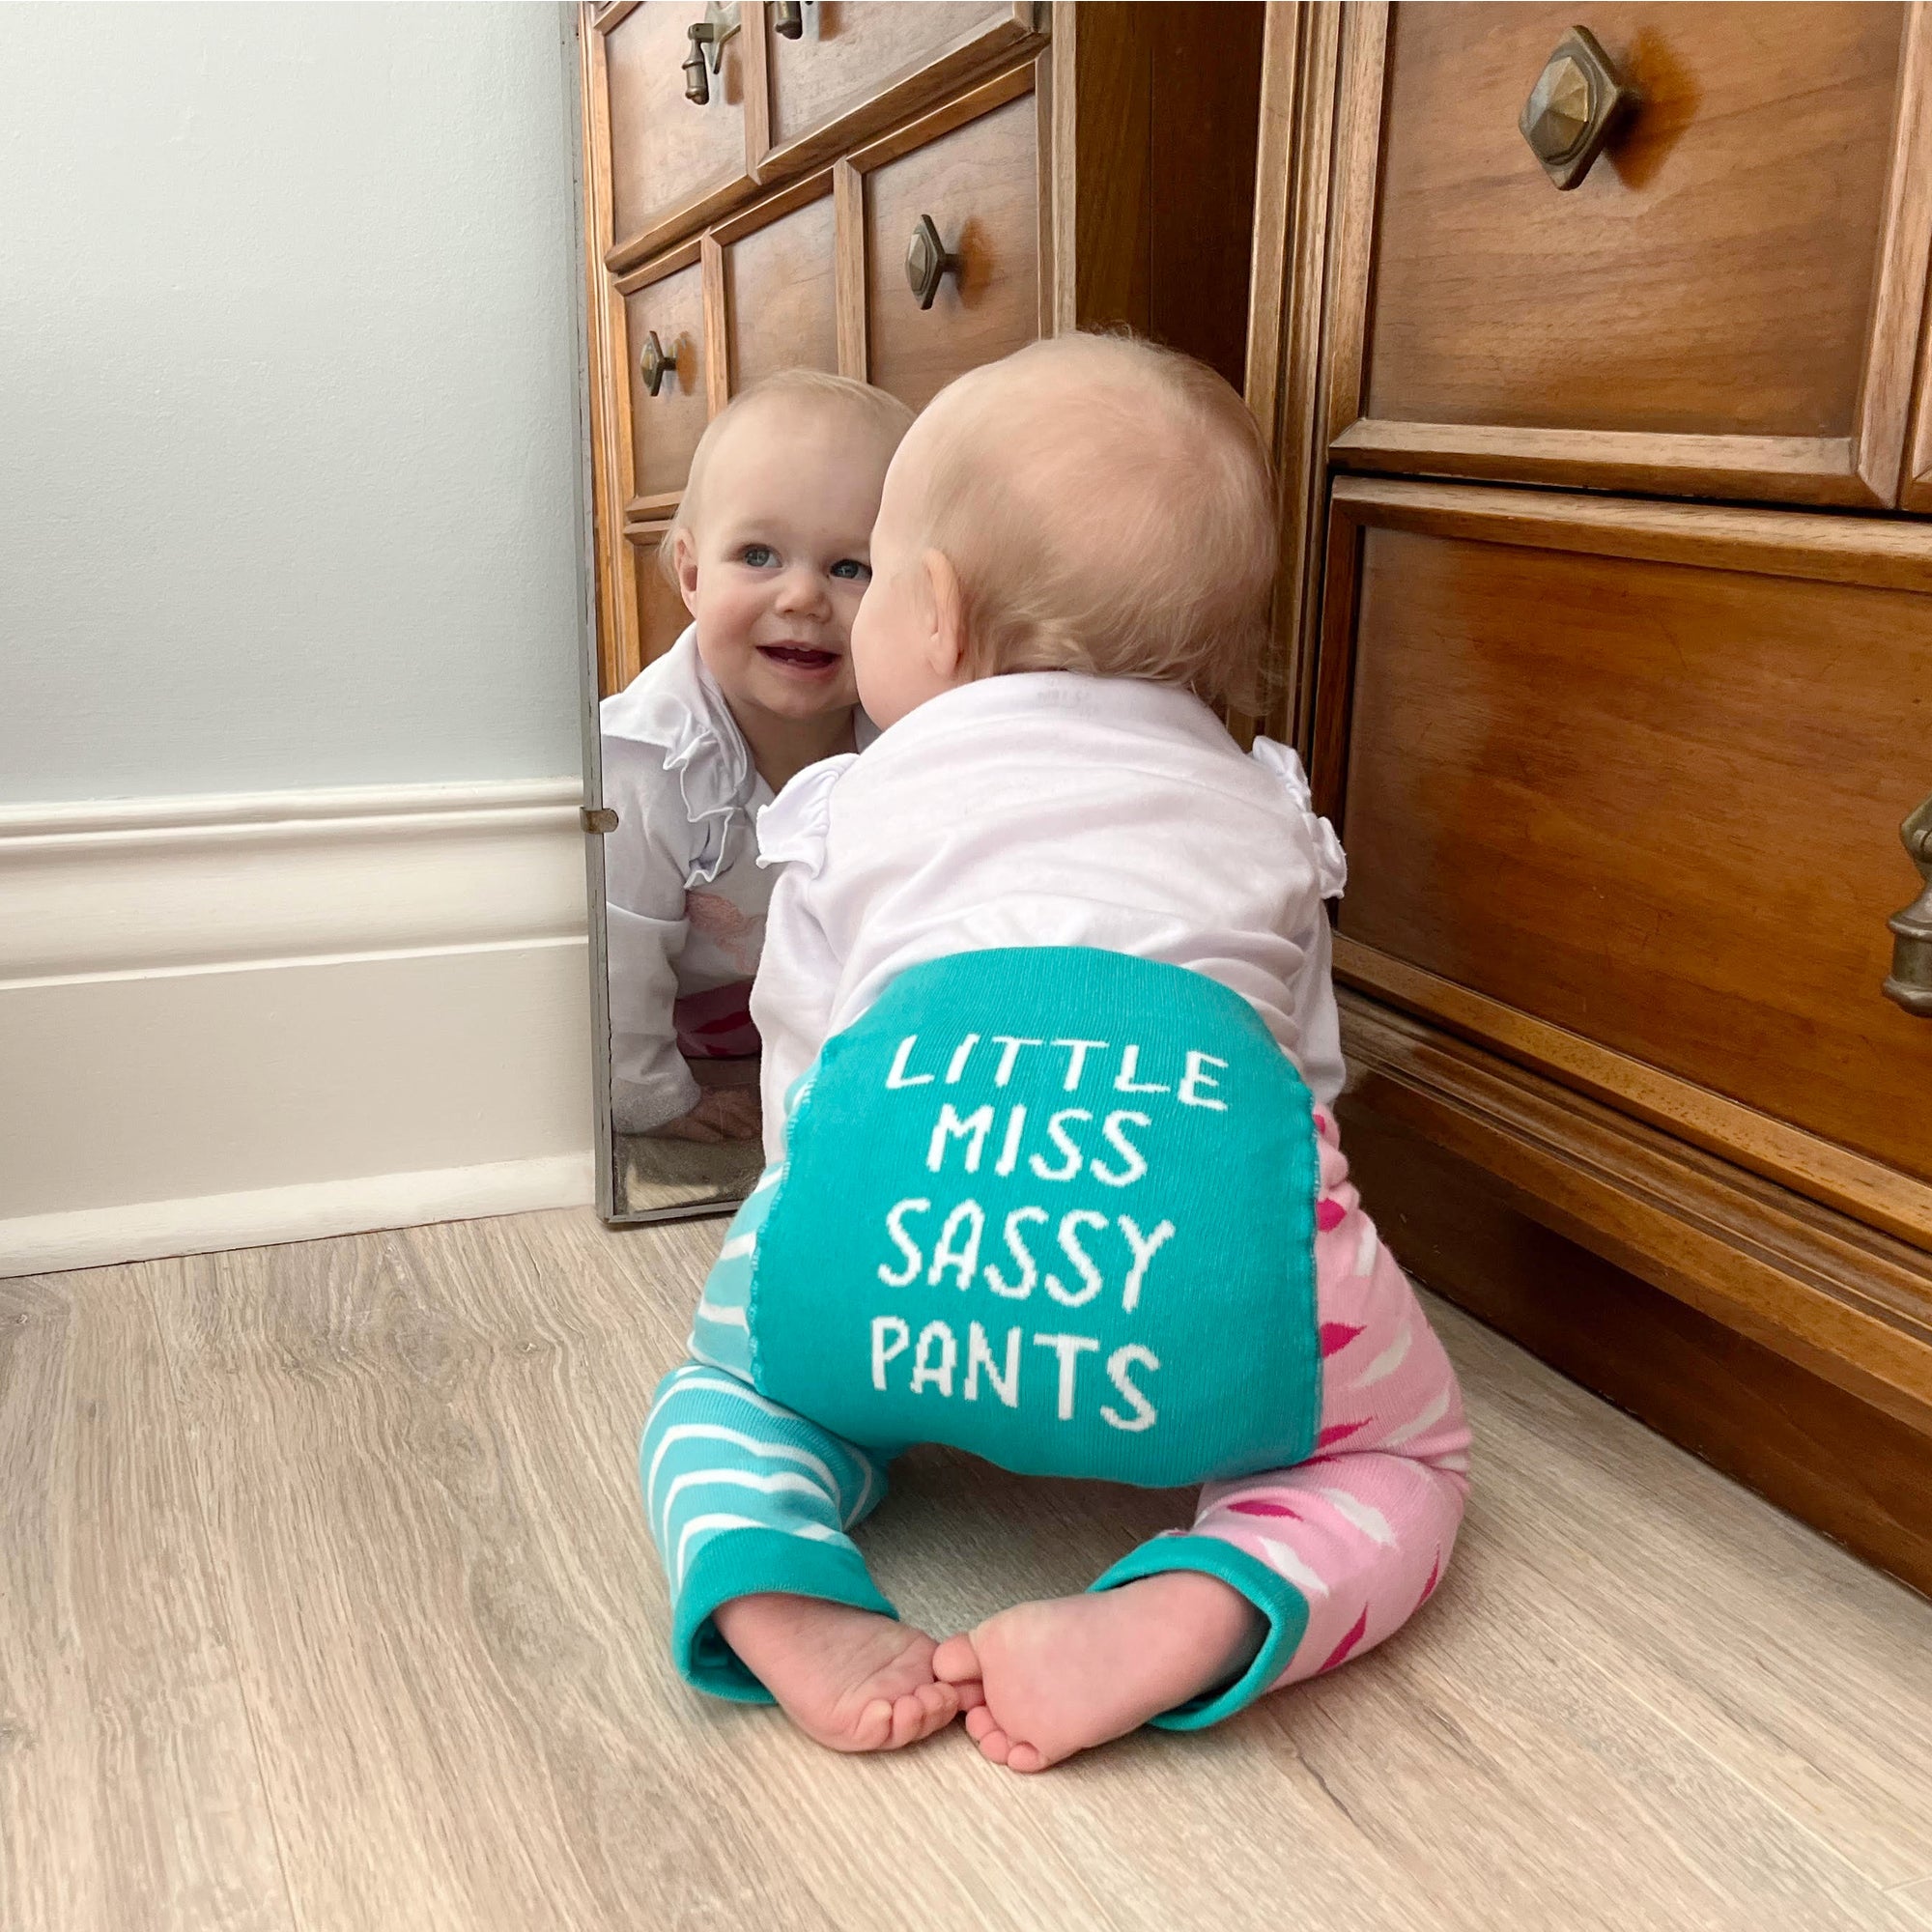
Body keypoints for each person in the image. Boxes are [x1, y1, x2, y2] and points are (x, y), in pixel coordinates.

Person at [639, 334, 1470, 1771]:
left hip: (876, 1251)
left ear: (936, 613)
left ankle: (772, 1574)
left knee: (724, 1394)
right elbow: (1302, 1087)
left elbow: (806, 1078)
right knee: (1406, 1456)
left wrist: (842, 1240)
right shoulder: (1265, 811)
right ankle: (1197, 1603)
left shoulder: (853, 805)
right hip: (1197, 1284)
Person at [599, 369, 912, 1140]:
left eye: (851, 568)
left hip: (825, 1019)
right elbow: (618, 960)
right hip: (679, 1028)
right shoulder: (646, 761)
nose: (802, 598)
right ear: (692, 575)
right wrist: (652, 1098)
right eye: (759, 554)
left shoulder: (908, 743)